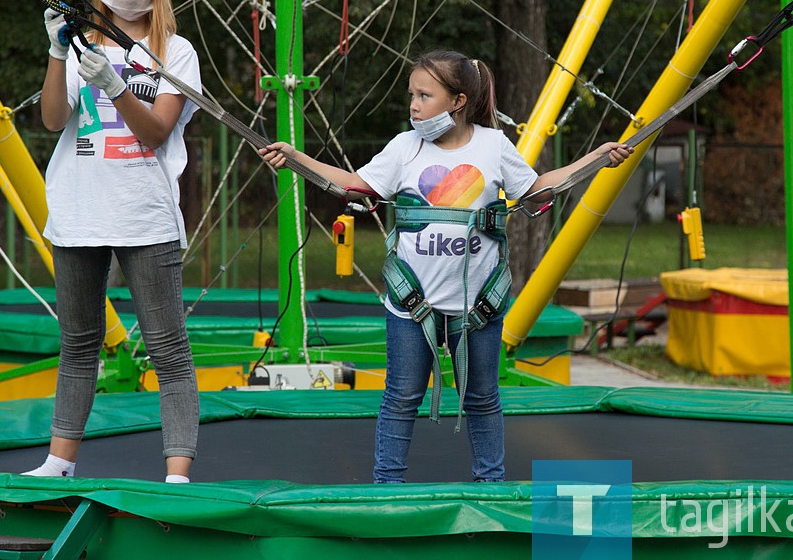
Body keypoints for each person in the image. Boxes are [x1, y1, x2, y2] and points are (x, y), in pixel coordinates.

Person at [260, 50, 632, 483]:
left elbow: (536, 190)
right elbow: (354, 185)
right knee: (400, 397)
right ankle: (387, 487)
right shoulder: (405, 147)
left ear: (457, 101)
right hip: (413, 304)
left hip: (478, 306)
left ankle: (490, 482)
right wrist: (294, 157)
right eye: (412, 95)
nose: (414, 105)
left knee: (482, 397)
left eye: (424, 95)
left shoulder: (493, 146)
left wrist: (597, 158)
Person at [24, 0, 201, 483]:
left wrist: (117, 85)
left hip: (144, 213)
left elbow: (155, 131)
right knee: (78, 343)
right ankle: (59, 461)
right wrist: (58, 52)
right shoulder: (82, 44)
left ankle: (177, 472)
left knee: (167, 346)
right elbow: (53, 119)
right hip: (78, 209)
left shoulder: (176, 51)